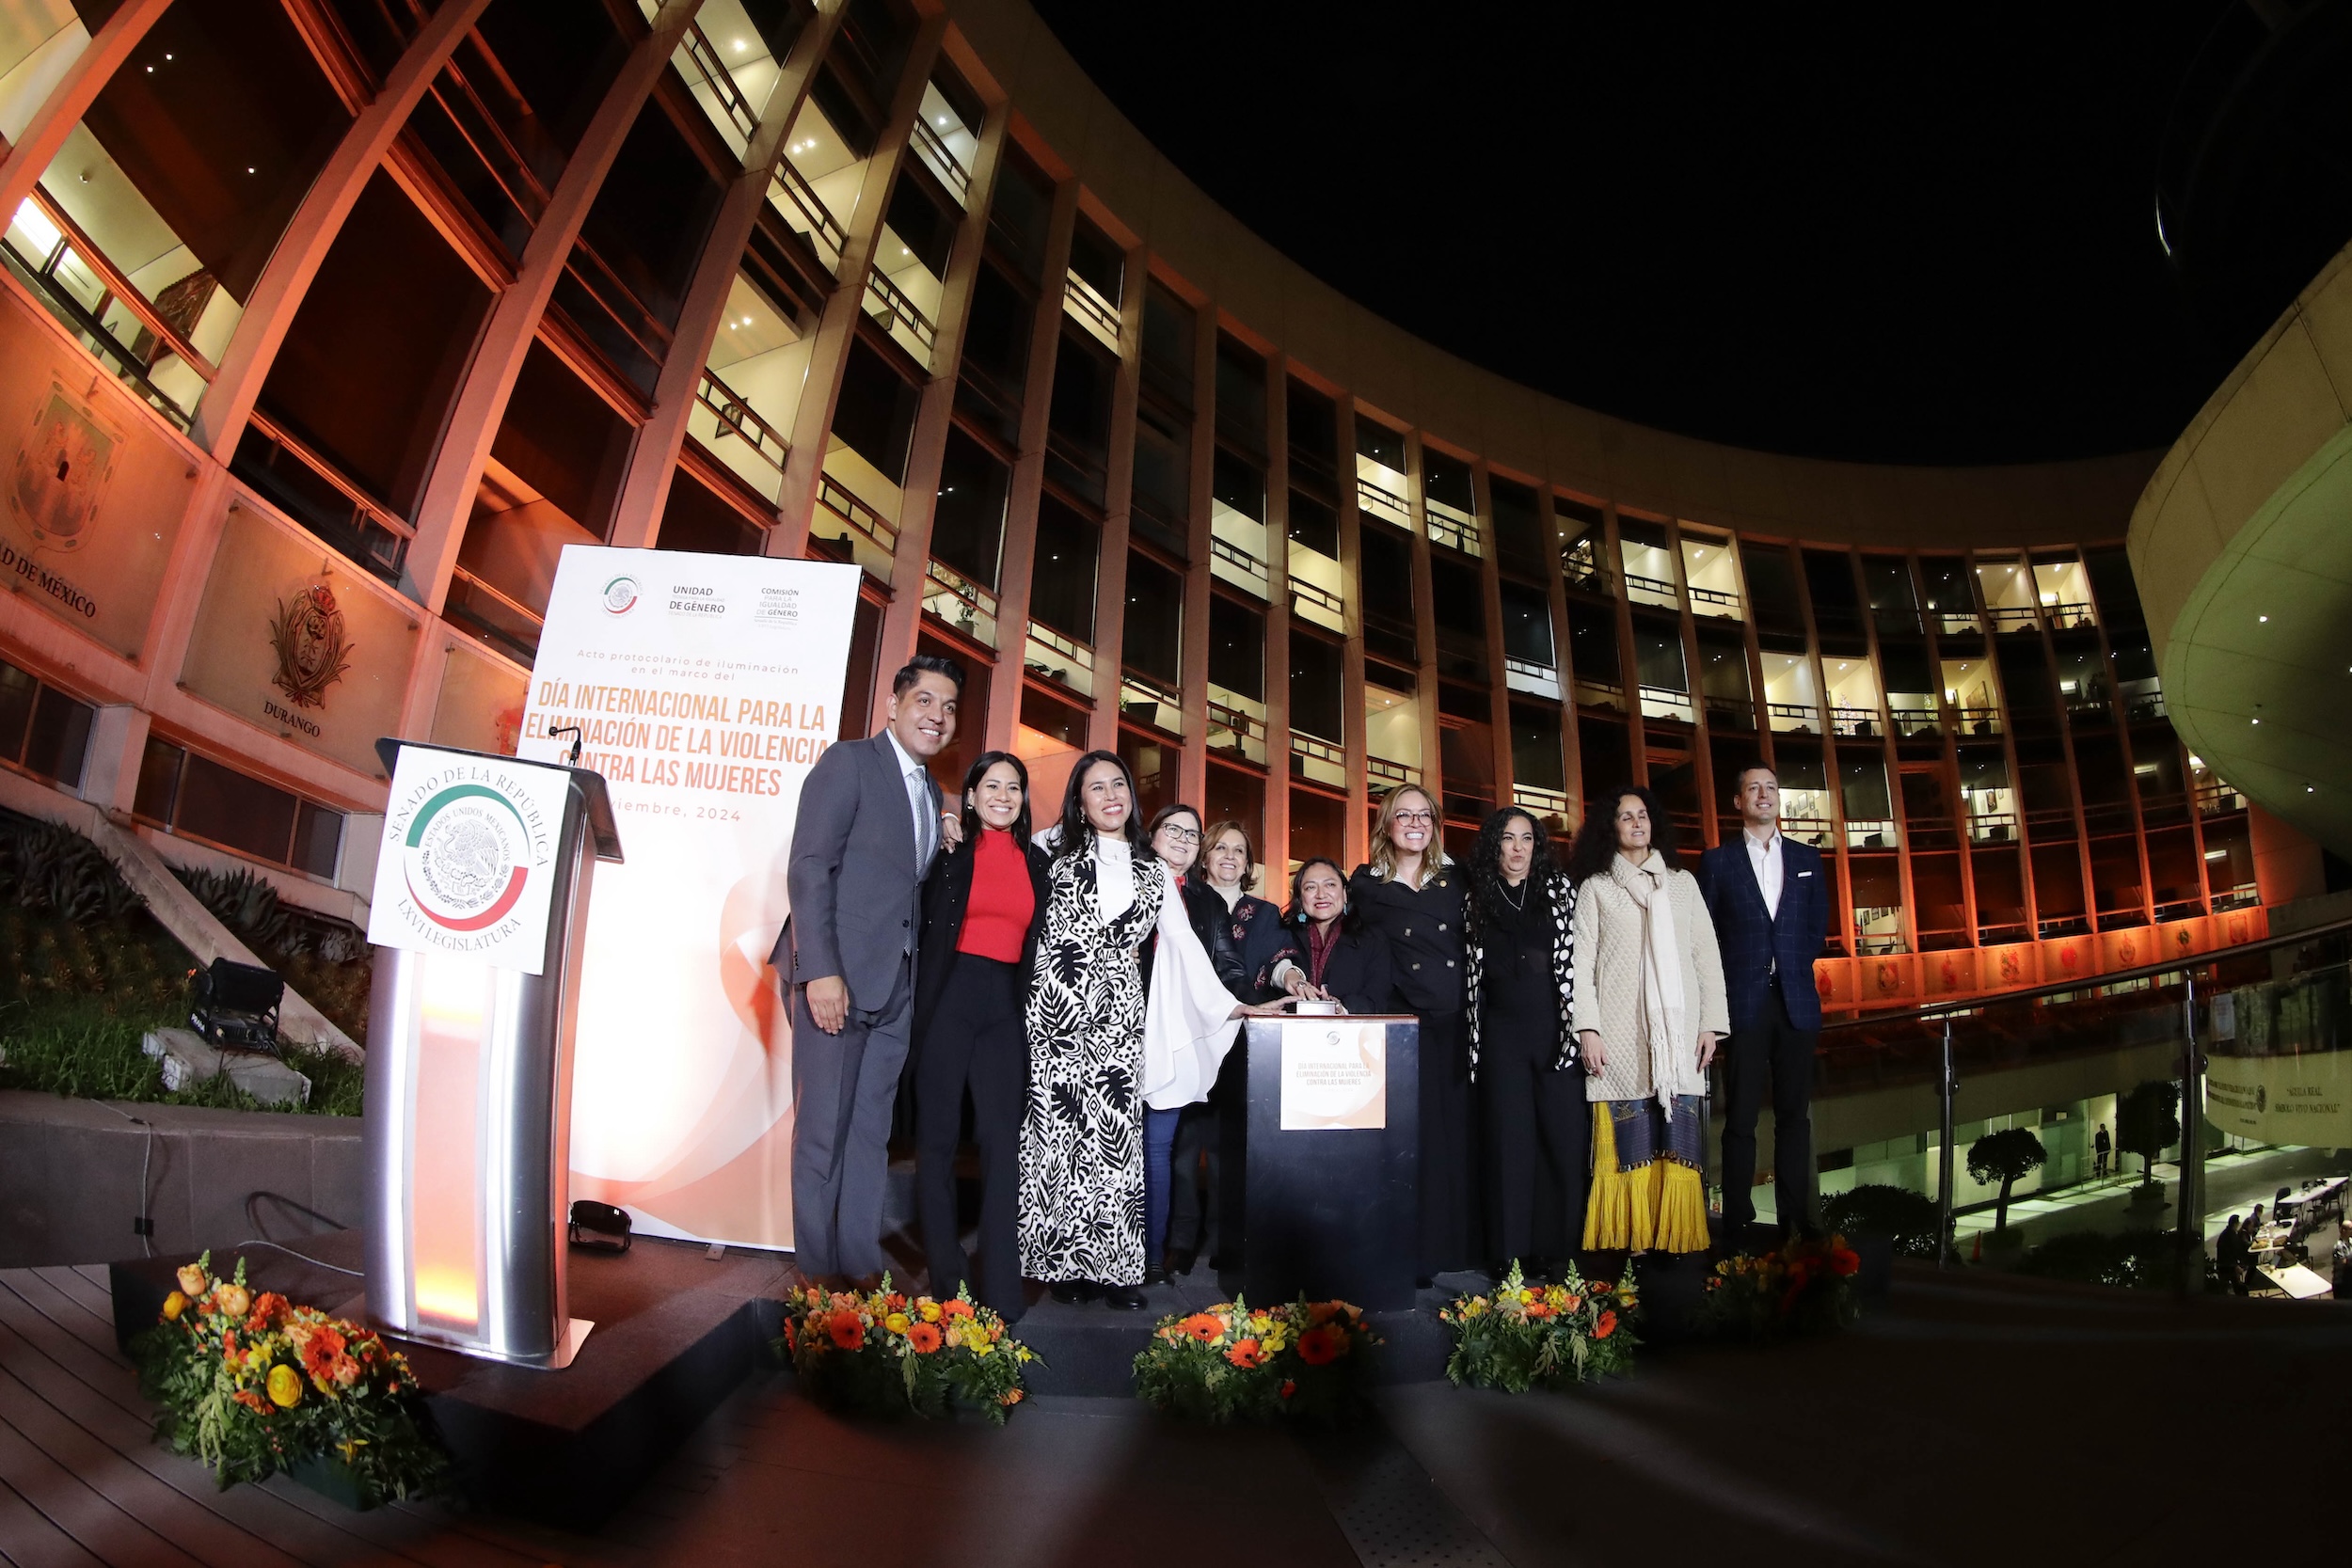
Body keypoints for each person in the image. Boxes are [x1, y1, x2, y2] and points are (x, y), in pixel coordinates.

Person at [1018, 752, 1276, 1308]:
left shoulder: (1151, 870)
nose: (1111, 795)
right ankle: (1067, 1269)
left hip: (1118, 1014)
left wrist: (1237, 1007)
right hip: (1055, 1012)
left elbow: (1184, 946)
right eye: (1096, 788)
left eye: (1119, 785)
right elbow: (999, 827)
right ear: (1080, 803)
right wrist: (950, 821)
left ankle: (1117, 1272)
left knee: (1114, 1146)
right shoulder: (1049, 852)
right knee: (1062, 1142)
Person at [774, 655, 961, 1287]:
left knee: (869, 1138)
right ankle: (816, 1283)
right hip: (837, 980)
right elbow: (808, 867)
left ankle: (857, 1274)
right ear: (893, 704)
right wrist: (819, 970)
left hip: (894, 992)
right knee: (822, 1133)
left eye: (950, 706)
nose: (938, 715)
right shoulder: (848, 762)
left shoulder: (931, 794)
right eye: (926, 700)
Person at [909, 751, 1050, 1319]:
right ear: (969, 795)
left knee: (1002, 1146)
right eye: (990, 786)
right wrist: (943, 816)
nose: (1003, 796)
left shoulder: (1038, 862)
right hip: (948, 1003)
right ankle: (947, 1282)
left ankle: (1000, 1286)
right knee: (937, 1144)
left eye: (1013, 788)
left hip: (1003, 1011)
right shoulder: (947, 853)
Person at [1566, 784, 1728, 1256]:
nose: (1637, 824)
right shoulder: (1596, 888)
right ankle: (1631, 1234)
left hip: (1679, 1037)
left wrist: (1710, 1024)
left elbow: (1706, 957)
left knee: (1675, 1133)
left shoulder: (1682, 884)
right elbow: (1580, 965)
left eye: (1643, 815)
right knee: (1628, 1132)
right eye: (1625, 817)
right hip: (1617, 1034)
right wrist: (1588, 1028)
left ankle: (1674, 1233)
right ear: (1609, 828)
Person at [1694, 761, 1830, 1240]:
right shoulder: (1717, 861)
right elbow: (1704, 937)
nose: (1764, 794)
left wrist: (1790, 962)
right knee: (1741, 1119)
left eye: (1771, 787)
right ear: (1739, 801)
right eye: (1753, 788)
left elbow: (1817, 928)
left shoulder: (1808, 859)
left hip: (1796, 1001)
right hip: (1743, 1003)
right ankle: (1736, 1219)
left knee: (1795, 1118)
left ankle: (1796, 1218)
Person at [1350, 784, 1477, 1279]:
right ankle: (1415, 1252)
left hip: (1458, 1022)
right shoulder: (1366, 884)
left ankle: (1458, 1249)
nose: (1415, 823)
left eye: (1424, 815)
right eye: (1404, 815)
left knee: (1456, 1139)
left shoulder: (1459, 878)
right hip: (1406, 1029)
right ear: (1386, 824)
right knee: (1412, 1140)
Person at [1164, 819, 1297, 1277]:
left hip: (1241, 1039)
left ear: (1248, 863)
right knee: (1182, 1145)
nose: (1228, 856)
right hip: (1185, 1036)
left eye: (1238, 851)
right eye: (1220, 847)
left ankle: (1224, 1239)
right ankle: (1180, 1239)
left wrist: (1291, 978)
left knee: (1226, 1148)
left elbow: (1280, 960)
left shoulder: (1262, 914)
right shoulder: (1182, 901)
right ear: (1205, 856)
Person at [1464, 806, 1587, 1277]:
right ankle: (1510, 1252)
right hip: (1499, 1035)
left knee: (1560, 1139)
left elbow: (1578, 964)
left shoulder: (1559, 891)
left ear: (1538, 847)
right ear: (1494, 844)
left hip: (1555, 1031)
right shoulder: (1475, 897)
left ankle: (1554, 1249)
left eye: (1527, 839)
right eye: (1508, 839)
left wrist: (1581, 1029)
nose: (1518, 849)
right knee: (1508, 1142)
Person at [1138, 802, 1225, 1283]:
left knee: (1158, 1146)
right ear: (1150, 835)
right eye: (1173, 829)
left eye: (1193, 834)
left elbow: (1225, 965)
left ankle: (1151, 1255)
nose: (1183, 839)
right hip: (1120, 1025)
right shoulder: (1128, 878)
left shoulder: (1208, 903)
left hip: (1171, 1035)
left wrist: (1247, 1003)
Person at [1282, 856, 1395, 1016]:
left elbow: (1378, 998)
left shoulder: (1372, 939)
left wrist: (1342, 1008)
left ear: (1344, 893)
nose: (1321, 895)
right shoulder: (1284, 937)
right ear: (1300, 898)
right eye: (1310, 888)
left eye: (1330, 885)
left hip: (1352, 1034)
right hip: (1290, 1032)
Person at [2216, 1212, 2247, 1295]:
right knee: (2234, 1286)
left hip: (2224, 1266)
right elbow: (2231, 1253)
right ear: (2235, 1224)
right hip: (2228, 1267)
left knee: (2225, 1288)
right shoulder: (2231, 1236)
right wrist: (2236, 1266)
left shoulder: (2226, 1234)